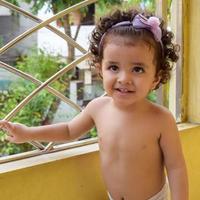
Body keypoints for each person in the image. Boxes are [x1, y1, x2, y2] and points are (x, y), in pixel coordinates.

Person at [0, 8, 188, 200]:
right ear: (100, 69)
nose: (124, 78)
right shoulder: (98, 108)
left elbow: (176, 168)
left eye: (138, 69)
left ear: (156, 78)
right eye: (114, 67)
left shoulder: (161, 119)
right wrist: (27, 133)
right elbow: (68, 131)